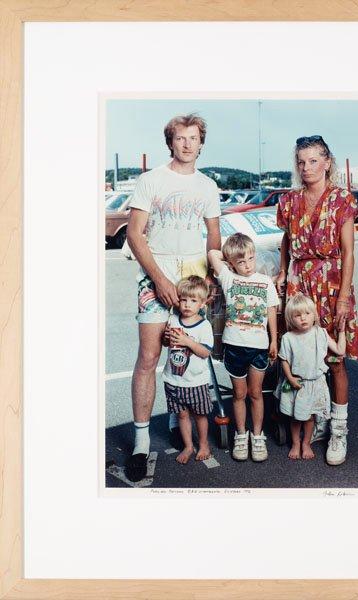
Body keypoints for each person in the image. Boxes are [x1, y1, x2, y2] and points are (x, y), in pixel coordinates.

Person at [125, 114, 221, 482]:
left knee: (191, 352)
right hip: (156, 273)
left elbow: (214, 237)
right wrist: (159, 279)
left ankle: (185, 415)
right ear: (171, 142)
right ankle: (140, 440)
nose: (186, 144)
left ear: (201, 142)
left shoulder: (208, 186)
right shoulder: (151, 180)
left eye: (193, 138)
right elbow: (135, 235)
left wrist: (211, 280)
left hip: (193, 275)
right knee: (149, 356)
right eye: (180, 138)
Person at [276, 135, 358, 466]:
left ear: (327, 162)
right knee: (300, 357)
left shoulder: (342, 199)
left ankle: (338, 429)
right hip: (300, 287)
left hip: (331, 284)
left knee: (335, 360)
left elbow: (348, 252)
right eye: (301, 161)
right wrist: (284, 274)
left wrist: (343, 297)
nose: (306, 167)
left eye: (313, 161)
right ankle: (309, 416)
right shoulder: (288, 200)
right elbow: (286, 240)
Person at [208, 233, 279, 462]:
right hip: (234, 346)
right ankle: (241, 434)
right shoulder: (228, 278)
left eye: (250, 258)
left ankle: (257, 436)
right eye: (241, 262)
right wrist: (229, 258)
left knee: (256, 393)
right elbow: (212, 254)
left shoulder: (265, 281)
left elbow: (271, 311)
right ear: (231, 264)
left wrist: (274, 340)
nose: (247, 265)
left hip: (258, 346)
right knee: (239, 394)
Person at [275, 293, 346, 460]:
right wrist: (290, 378)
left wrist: (341, 331)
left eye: (307, 313)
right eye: (297, 315)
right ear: (291, 319)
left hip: (316, 383)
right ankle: (295, 443)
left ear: (314, 314)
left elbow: (340, 350)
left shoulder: (320, 333)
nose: (303, 318)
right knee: (295, 417)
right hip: (298, 383)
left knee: (310, 417)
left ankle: (306, 442)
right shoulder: (288, 338)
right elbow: (283, 360)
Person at [162, 276, 214, 464]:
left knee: (200, 416)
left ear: (201, 304)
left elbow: (205, 352)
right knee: (182, 415)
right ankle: (188, 446)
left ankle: (203, 444)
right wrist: (167, 338)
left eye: (193, 301)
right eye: (183, 299)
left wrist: (187, 341)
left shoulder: (204, 325)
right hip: (174, 379)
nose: (187, 304)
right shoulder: (173, 319)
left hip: (196, 381)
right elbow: (167, 343)